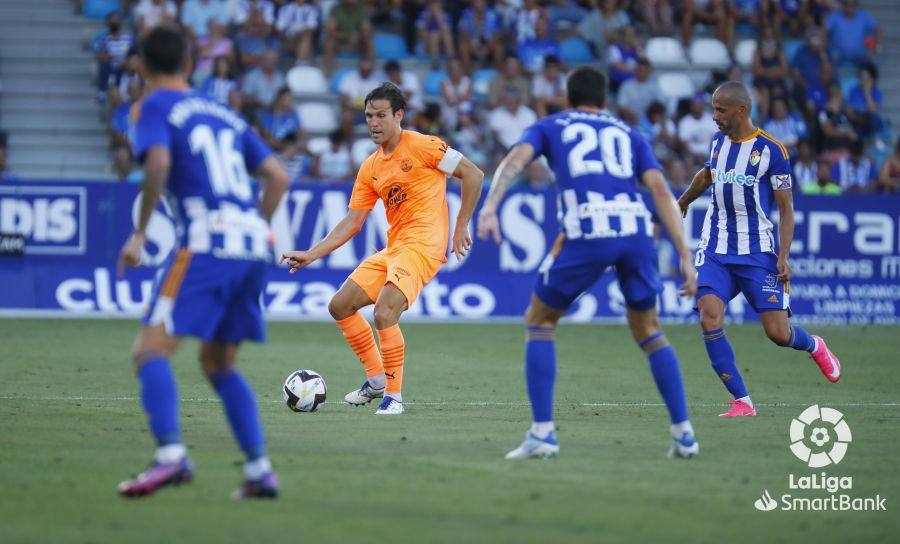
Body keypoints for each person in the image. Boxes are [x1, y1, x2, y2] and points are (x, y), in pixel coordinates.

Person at [477, 67, 701, 460]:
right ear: (604, 99)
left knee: (540, 320)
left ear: (567, 97)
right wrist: (684, 253)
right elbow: (661, 190)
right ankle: (684, 434)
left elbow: (515, 160)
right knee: (649, 330)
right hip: (636, 232)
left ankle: (543, 434)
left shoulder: (551, 125)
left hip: (588, 228)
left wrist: (491, 206)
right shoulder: (630, 133)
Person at [116, 24, 290, 498]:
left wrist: (138, 234)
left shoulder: (152, 103)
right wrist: (252, 228)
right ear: (190, 66)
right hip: (253, 247)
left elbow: (158, 164)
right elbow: (277, 176)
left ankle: (171, 458)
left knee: (150, 350)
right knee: (218, 362)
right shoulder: (223, 113)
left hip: (204, 244)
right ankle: (259, 470)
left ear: (141, 67)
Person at [280, 83, 484, 415]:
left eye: (381, 115)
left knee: (384, 313)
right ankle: (375, 381)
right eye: (368, 116)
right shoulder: (371, 167)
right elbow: (352, 222)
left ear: (398, 115)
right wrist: (311, 253)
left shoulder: (423, 145)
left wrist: (461, 225)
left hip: (423, 246)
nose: (373, 123)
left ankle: (394, 397)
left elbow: (473, 174)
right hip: (395, 247)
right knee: (340, 305)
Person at [676, 82, 842, 418]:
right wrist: (682, 201)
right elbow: (708, 175)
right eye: (713, 108)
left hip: (757, 253)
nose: (714, 116)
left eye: (720, 110)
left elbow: (786, 209)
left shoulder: (772, 150)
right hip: (716, 248)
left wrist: (783, 255)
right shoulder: (717, 142)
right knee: (709, 317)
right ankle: (742, 401)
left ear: (741, 110)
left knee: (778, 334)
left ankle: (814, 345)